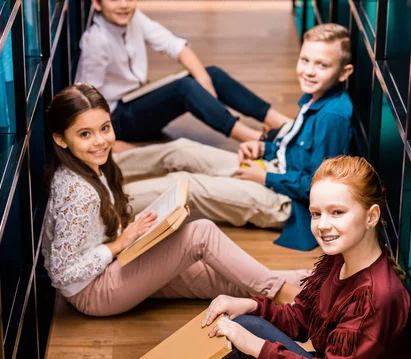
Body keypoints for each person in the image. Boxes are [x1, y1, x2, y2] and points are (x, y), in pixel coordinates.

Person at [13, 156, 411, 359]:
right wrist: (250, 303)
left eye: (337, 213)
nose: (322, 225)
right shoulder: (340, 258)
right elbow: (301, 320)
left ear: (371, 216)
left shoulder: (379, 295)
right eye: (316, 213)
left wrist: (251, 340)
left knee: (237, 339)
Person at [40, 82, 311, 320]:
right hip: (94, 292)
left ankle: (312, 283)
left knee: (223, 275)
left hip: (114, 266)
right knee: (200, 234)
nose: (100, 141)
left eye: (105, 128)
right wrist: (118, 245)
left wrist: (133, 236)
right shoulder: (80, 193)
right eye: (85, 134)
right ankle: (283, 296)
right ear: (60, 139)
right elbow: (62, 274)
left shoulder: (88, 167)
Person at [113, 23, 355, 251]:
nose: (309, 71)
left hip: (285, 201)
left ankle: (107, 208)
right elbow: (298, 151)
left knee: (186, 185)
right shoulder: (317, 96)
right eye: (305, 60)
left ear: (344, 73)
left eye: (322, 65)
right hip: (274, 170)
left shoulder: (331, 118)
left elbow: (318, 188)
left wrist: (265, 178)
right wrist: (264, 150)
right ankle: (104, 172)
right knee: (181, 149)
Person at [75, 0, 291, 142]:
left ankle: (283, 123)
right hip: (115, 120)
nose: (123, 5)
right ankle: (256, 140)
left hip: (136, 98)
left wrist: (205, 82)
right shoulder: (96, 41)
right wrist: (110, 143)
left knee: (210, 73)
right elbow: (86, 100)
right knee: (184, 88)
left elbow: (175, 46)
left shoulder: (135, 19)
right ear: (96, 3)